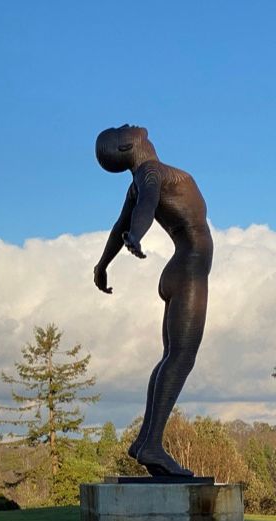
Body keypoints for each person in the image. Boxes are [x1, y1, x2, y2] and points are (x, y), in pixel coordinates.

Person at [94, 125, 212, 477]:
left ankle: (146, 439)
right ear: (128, 144)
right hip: (188, 269)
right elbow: (142, 209)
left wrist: (103, 265)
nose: (129, 123)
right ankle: (152, 443)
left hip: (178, 269)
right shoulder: (151, 175)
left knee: (171, 357)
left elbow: (120, 224)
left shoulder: (142, 179)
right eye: (121, 129)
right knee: (181, 357)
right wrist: (136, 235)